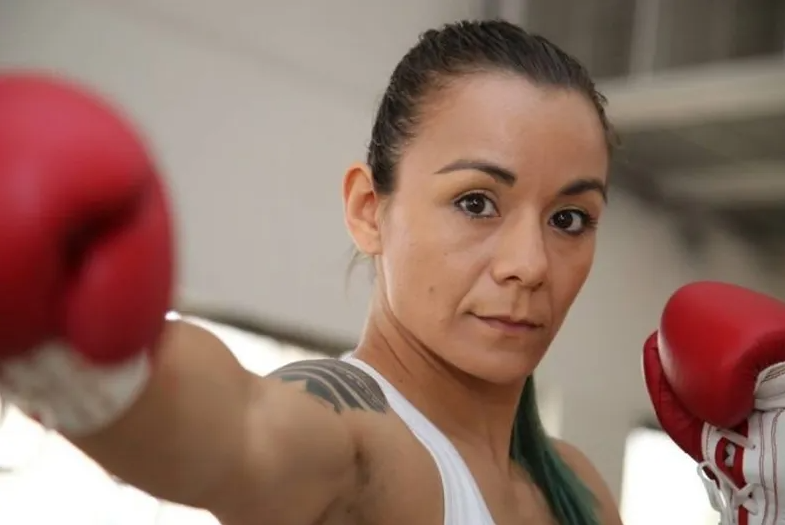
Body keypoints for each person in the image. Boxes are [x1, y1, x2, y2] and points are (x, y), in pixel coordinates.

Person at [1, 18, 783, 525]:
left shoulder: (574, 487)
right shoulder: (358, 438)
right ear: (368, 209)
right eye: (476, 202)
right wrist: (84, 358)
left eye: (569, 218)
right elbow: (240, 429)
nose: (529, 265)